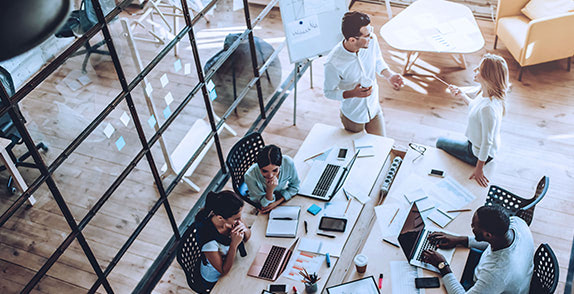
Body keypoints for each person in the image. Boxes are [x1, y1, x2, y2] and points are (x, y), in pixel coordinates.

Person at [323, 11, 404, 137]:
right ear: (352, 40)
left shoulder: (371, 40)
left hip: (374, 108)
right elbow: (328, 92)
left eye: (370, 31)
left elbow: (377, 60)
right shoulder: (333, 63)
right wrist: (352, 93)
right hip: (353, 116)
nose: (370, 37)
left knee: (381, 146)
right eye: (366, 35)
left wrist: (390, 76)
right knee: (358, 153)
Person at [421, 205, 534, 294]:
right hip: (510, 280)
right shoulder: (516, 223)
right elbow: (493, 242)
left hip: (493, 287)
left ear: (488, 235)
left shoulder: (496, 274)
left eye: (473, 226)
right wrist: (460, 240)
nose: (471, 227)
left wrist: (442, 265)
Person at [437, 54, 509, 187]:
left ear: (487, 76)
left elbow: (487, 143)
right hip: (475, 145)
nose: (475, 69)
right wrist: (462, 96)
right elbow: (476, 108)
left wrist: (479, 169)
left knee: (439, 143)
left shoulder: (488, 109)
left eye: (479, 68)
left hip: (476, 153)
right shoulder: (487, 93)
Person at [193, 190, 251, 289]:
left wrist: (244, 228)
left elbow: (247, 237)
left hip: (233, 261)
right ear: (220, 218)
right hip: (216, 279)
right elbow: (223, 271)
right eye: (237, 218)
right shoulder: (209, 241)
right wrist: (234, 244)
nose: (239, 220)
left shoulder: (230, 218)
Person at [244, 145, 300, 213]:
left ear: (280, 165)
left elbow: (295, 186)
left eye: (275, 170)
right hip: (264, 202)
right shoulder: (250, 176)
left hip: (278, 199)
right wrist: (269, 190)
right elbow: (264, 205)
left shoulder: (288, 163)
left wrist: (277, 202)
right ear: (259, 166)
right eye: (264, 171)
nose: (270, 176)